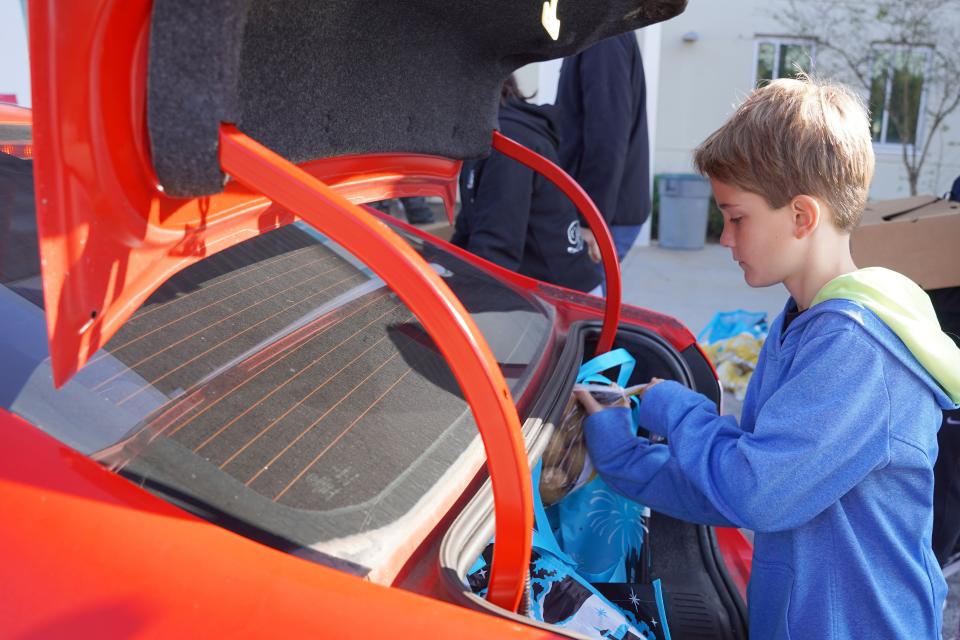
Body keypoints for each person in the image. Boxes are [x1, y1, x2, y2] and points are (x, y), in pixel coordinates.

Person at [574, 77, 960, 639]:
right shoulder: (799, 323)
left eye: (736, 218)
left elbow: (757, 491)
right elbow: (738, 478)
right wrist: (620, 451)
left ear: (802, 217)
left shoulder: (855, 350)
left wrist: (676, 410)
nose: (726, 239)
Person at [451, 76, 602, 294]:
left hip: (563, 299)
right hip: (539, 290)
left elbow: (496, 253)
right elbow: (467, 228)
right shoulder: (484, 138)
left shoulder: (510, 144)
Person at [555, 32, 651, 262]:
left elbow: (607, 136)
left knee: (592, 298)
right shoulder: (598, 30)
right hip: (605, 215)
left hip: (603, 219)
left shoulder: (603, 35)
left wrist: (591, 221)